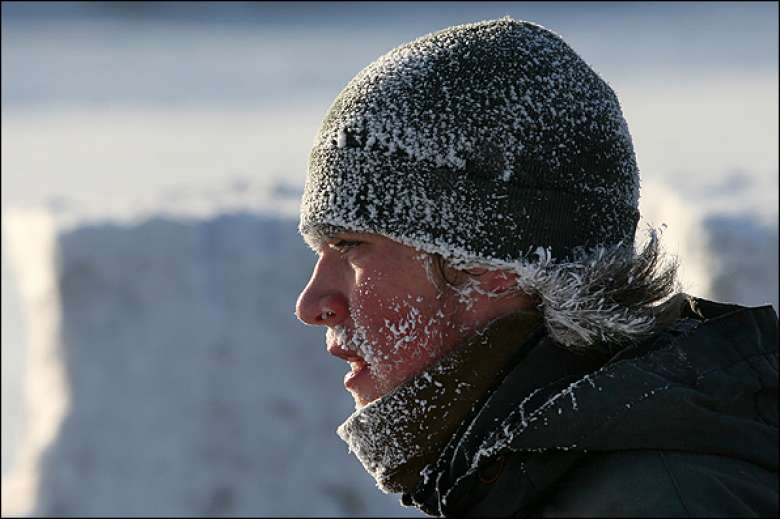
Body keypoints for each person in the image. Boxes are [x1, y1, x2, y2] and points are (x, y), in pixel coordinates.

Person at [295, 17, 778, 517]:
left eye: (350, 245)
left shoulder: (654, 501)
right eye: (321, 252)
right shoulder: (536, 474)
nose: (311, 305)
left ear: (491, 262)